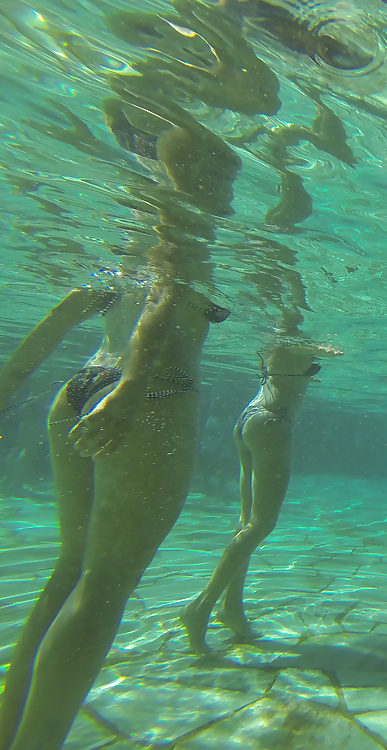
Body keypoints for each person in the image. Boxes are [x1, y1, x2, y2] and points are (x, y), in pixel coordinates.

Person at [0, 245, 229, 750]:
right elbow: (164, 301)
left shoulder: (127, 244)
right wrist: (129, 388)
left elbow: (67, 311)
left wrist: (8, 387)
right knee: (104, 584)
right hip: (149, 392)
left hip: (81, 385)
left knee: (73, 565)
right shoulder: (189, 226)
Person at [181, 337, 342, 654]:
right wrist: (332, 350)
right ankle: (200, 607)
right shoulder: (294, 340)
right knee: (261, 524)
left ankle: (232, 607)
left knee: (247, 522)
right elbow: (337, 350)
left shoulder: (278, 345)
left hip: (251, 417)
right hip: (272, 425)